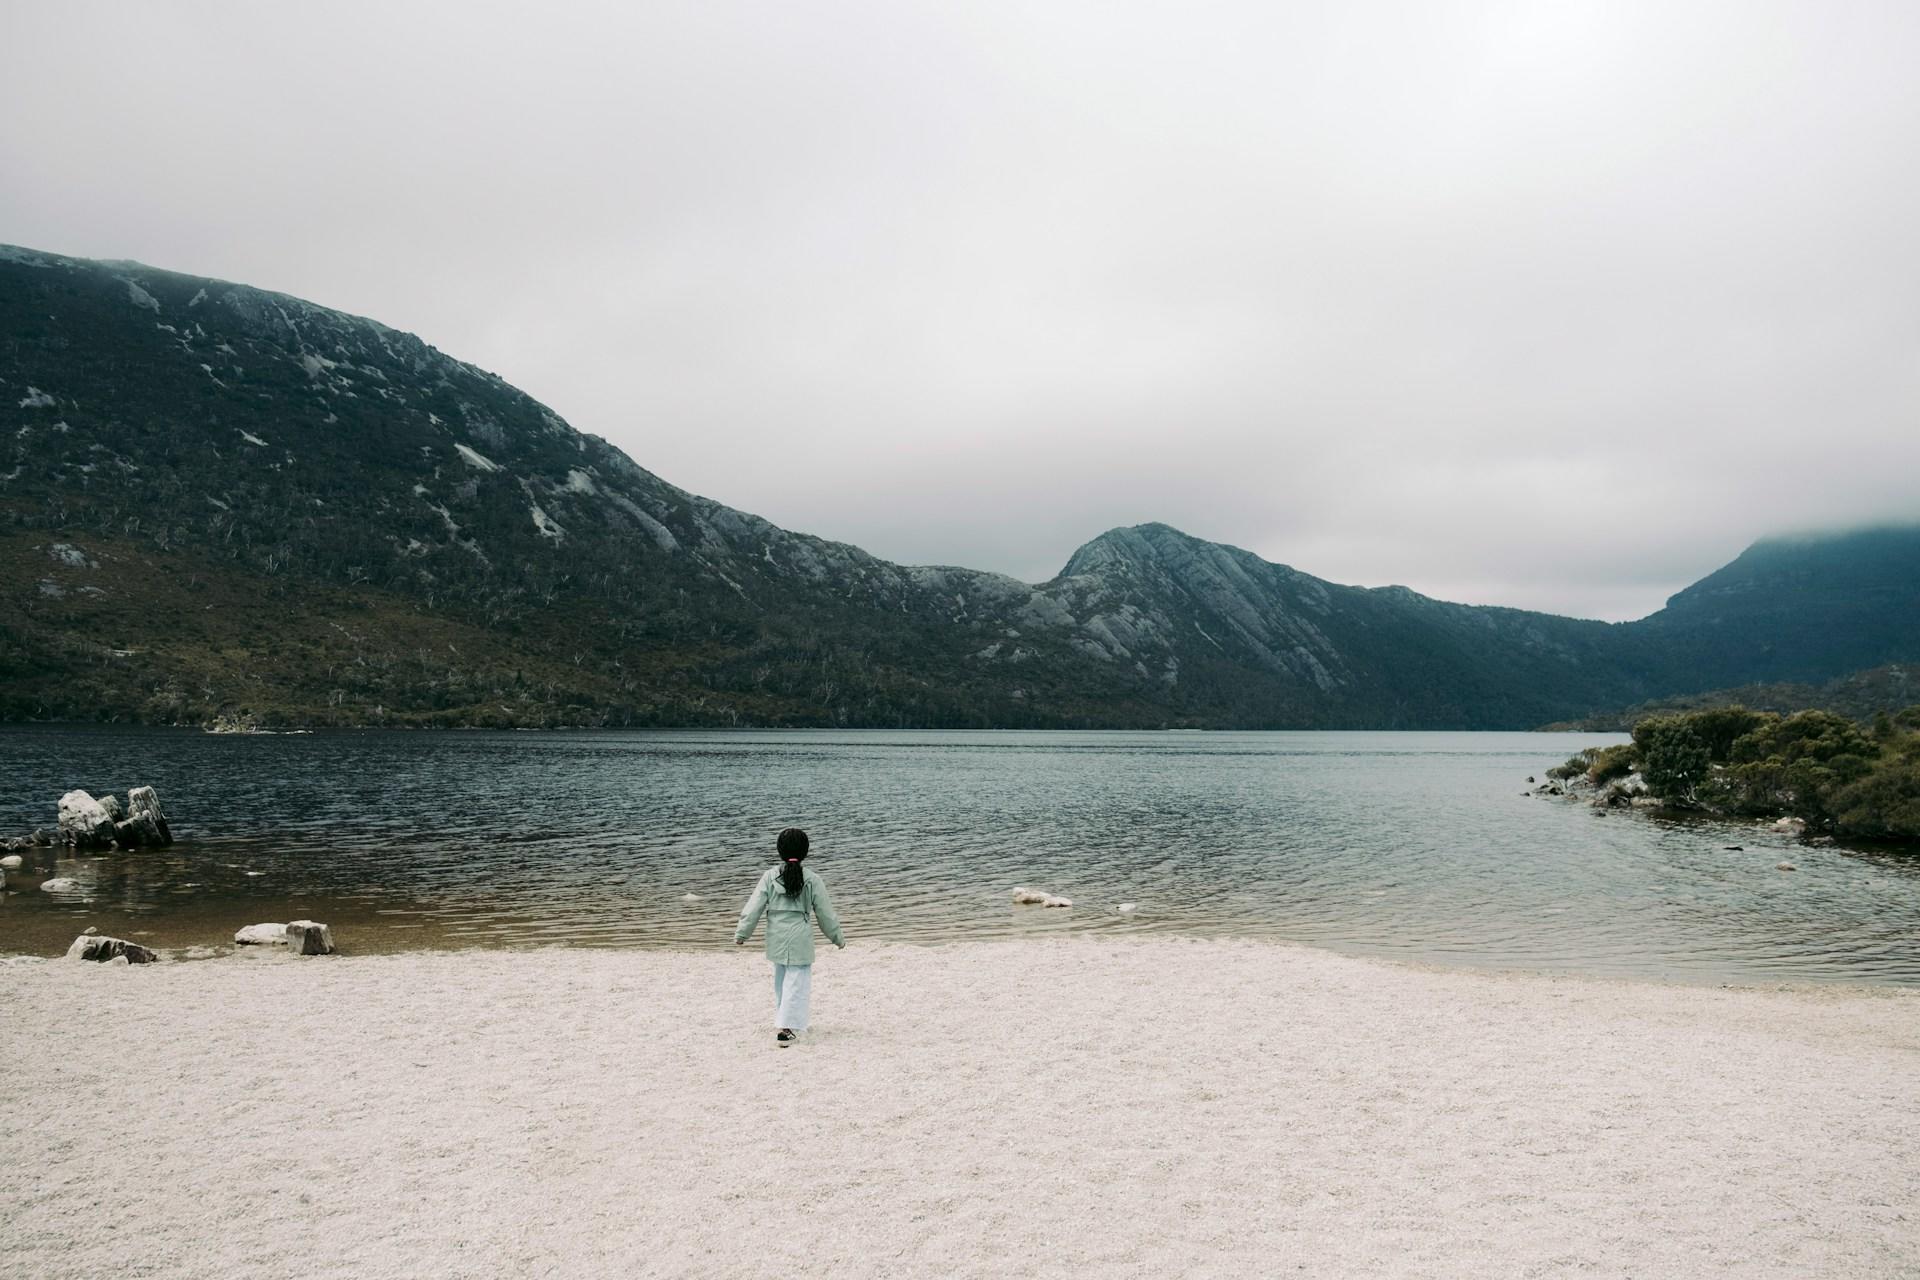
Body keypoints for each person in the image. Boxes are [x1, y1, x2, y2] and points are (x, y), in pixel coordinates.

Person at [734, 827, 845, 1046]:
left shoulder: (769, 876)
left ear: (780, 851)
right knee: (797, 982)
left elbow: (753, 907)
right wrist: (837, 937)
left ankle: (786, 1021)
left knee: (781, 981)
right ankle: (786, 1029)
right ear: (805, 851)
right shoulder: (812, 879)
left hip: (775, 935)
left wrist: (742, 932)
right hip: (800, 938)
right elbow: (825, 913)